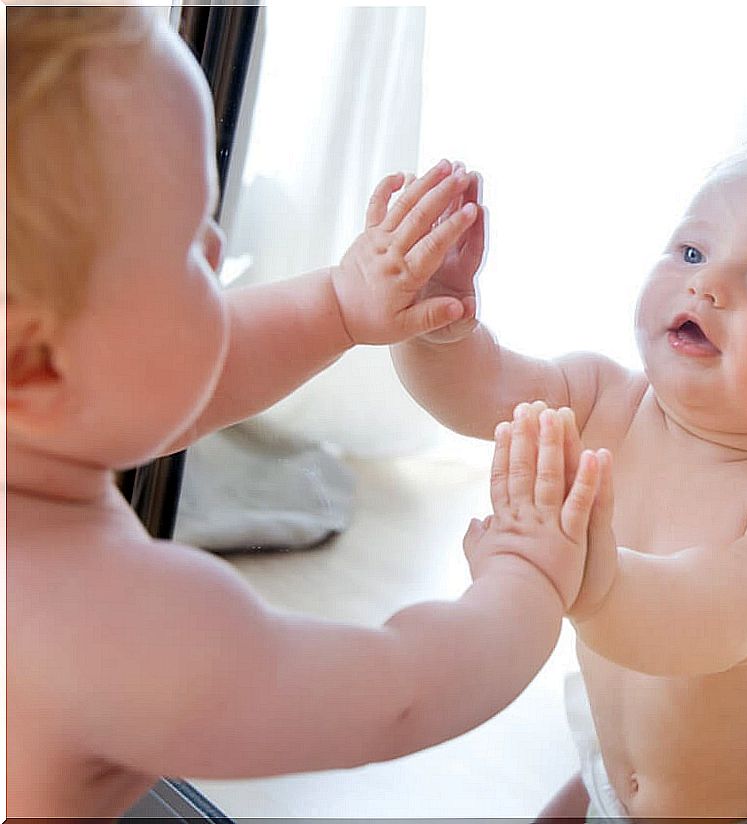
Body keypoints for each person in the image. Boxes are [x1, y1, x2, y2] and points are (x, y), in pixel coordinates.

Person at [5, 8, 612, 818]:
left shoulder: (37, 431)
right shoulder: (115, 626)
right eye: (190, 244)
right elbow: (398, 694)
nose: (222, 251)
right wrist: (527, 579)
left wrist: (336, 303)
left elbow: (199, 376)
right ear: (35, 362)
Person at [391, 127, 747, 819]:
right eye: (693, 251)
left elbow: (712, 617)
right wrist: (437, 324)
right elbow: (478, 391)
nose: (707, 283)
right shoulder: (599, 396)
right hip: (612, 780)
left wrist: (589, 574)